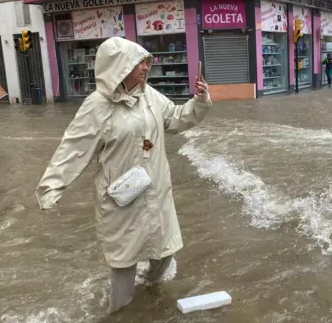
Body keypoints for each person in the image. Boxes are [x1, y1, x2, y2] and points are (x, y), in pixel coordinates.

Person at [35, 37, 212, 314]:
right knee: (123, 262)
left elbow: (176, 118)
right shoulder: (97, 106)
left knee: (164, 252)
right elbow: (73, 148)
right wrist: (52, 187)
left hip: (156, 190)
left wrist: (199, 102)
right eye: (138, 62)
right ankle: (120, 313)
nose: (145, 67)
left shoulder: (149, 96)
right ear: (119, 67)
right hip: (122, 198)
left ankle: (149, 293)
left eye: (145, 62)